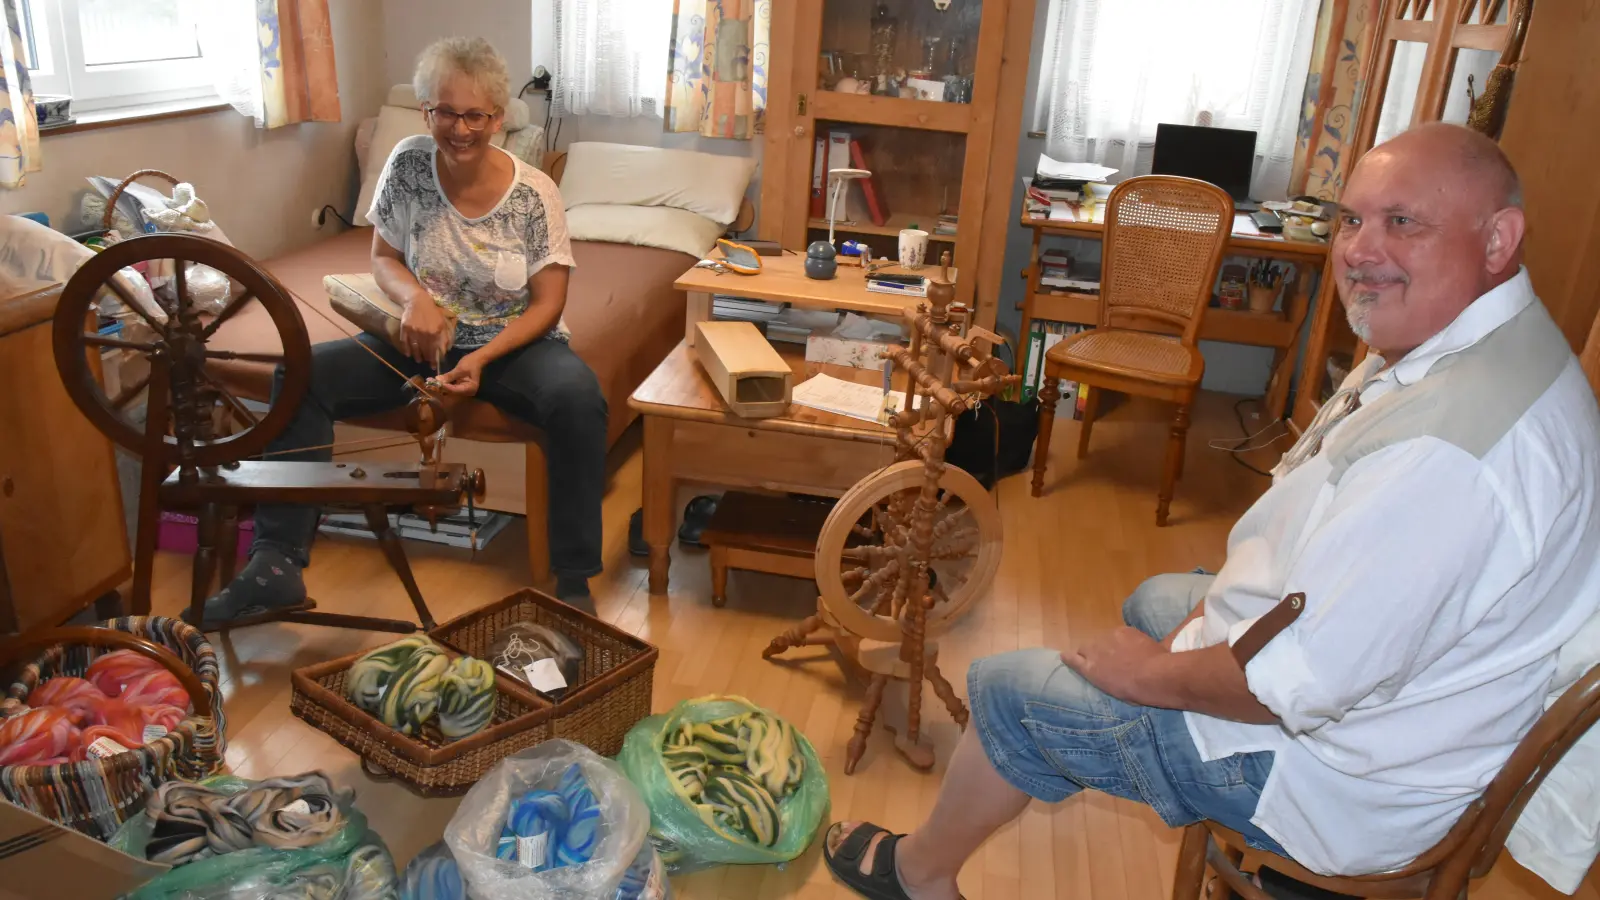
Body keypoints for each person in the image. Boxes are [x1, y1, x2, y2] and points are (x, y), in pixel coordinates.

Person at [821, 121, 1600, 900]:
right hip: (1412, 708)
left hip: (1340, 781)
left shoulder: (1451, 461)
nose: (1360, 251)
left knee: (1010, 692)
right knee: (1154, 600)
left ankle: (917, 876)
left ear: (1500, 239)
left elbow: (1293, 686)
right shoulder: (1505, 350)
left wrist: (1156, 673)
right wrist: (1164, 658)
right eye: (1352, 220)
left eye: (1403, 222)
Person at [199, 37, 607, 623]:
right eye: (446, 111)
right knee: (299, 374)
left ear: (498, 118)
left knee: (578, 400)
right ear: (426, 112)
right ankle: (275, 563)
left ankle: (573, 578)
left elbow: (550, 301)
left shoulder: (533, 195)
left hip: (515, 345)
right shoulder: (409, 163)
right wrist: (416, 299)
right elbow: (384, 256)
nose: (460, 129)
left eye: (476, 115)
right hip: (418, 342)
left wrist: (485, 357)